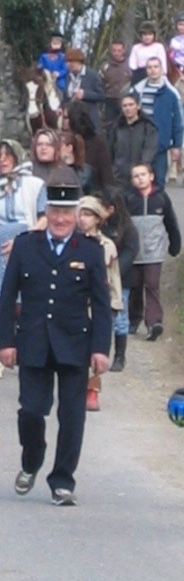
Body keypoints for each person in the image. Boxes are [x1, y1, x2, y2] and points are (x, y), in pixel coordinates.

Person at [0, 176, 112, 506]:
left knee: (72, 417)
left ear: (76, 214)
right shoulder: (25, 245)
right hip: (32, 342)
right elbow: (7, 298)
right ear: (47, 211)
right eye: (55, 211)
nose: (61, 219)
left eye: (67, 212)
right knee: (31, 411)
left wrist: (102, 349)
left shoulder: (90, 252)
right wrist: (4, 341)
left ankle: (62, 481)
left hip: (75, 344)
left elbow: (102, 305)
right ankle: (32, 459)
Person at [0, 139, 47, 378]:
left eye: (8, 155)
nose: (4, 159)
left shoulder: (35, 185)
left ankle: (28, 353)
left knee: (25, 302)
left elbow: (44, 217)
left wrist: (24, 239)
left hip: (25, 243)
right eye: (0, 155)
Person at [123, 161, 181, 341]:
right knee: (135, 287)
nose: (140, 179)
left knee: (152, 285)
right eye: (136, 176)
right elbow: (122, 225)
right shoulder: (129, 200)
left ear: (151, 177)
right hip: (134, 253)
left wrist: (175, 244)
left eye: (143, 175)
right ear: (132, 180)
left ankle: (154, 322)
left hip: (154, 253)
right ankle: (134, 318)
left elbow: (171, 223)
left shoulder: (161, 198)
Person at [76, 196, 122, 412]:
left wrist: (116, 302)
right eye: (80, 215)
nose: (82, 219)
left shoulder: (107, 245)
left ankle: (93, 391)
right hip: (78, 303)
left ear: (97, 219)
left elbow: (113, 276)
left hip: (100, 304)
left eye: (87, 215)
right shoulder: (72, 243)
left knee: (97, 348)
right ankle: (76, 387)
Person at [99, 185, 139, 373]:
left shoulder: (127, 228)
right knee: (102, 316)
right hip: (99, 277)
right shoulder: (99, 226)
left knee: (120, 318)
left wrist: (115, 273)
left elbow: (131, 251)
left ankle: (120, 355)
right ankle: (102, 352)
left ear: (112, 208)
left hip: (121, 278)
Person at [133, 55, 183, 187]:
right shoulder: (137, 92)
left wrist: (176, 145)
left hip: (160, 144)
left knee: (159, 181)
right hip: (140, 143)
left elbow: (177, 122)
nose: (153, 70)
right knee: (139, 182)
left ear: (161, 69)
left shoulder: (170, 94)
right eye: (149, 67)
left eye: (156, 67)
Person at [108, 91, 158, 189]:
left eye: (131, 105)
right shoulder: (117, 127)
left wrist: (141, 170)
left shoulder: (148, 126)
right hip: (119, 177)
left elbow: (150, 150)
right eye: (125, 106)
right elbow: (111, 151)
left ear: (138, 106)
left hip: (140, 177)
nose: (128, 108)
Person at [65, 100, 114, 192]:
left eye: (66, 117)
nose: (62, 120)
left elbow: (107, 177)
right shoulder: (61, 141)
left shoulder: (97, 142)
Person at [63, 47, 105, 130]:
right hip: (72, 121)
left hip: (89, 120)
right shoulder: (67, 76)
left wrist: (85, 94)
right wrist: (61, 107)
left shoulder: (92, 75)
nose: (69, 64)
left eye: (72, 62)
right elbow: (66, 98)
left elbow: (101, 95)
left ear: (80, 62)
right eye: (67, 62)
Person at [99, 39, 132, 129]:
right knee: (110, 127)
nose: (116, 53)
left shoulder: (130, 65)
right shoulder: (105, 66)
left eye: (119, 51)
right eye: (114, 51)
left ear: (123, 50)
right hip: (110, 101)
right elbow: (100, 84)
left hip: (126, 101)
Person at [167, 12, 184, 101]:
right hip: (177, 70)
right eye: (180, 24)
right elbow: (171, 56)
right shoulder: (174, 41)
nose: (182, 27)